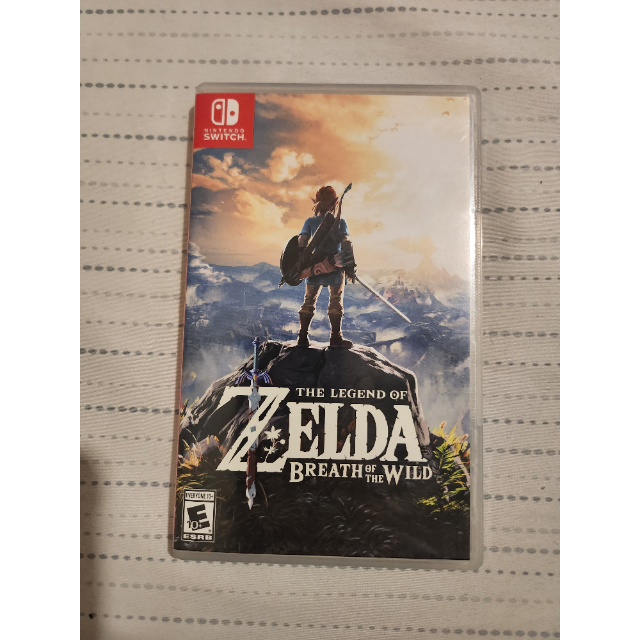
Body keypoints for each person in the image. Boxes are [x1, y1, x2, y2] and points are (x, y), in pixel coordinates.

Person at [296, 186, 356, 349]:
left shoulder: (310, 221)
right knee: (336, 301)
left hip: (314, 267)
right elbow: (346, 242)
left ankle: (302, 337)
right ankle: (335, 338)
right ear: (335, 202)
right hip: (334, 267)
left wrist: (302, 264)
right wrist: (349, 266)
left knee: (308, 301)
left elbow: (301, 242)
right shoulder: (340, 222)